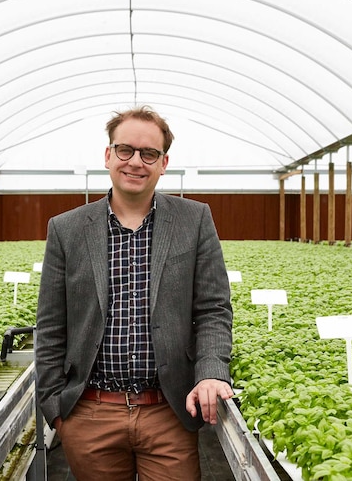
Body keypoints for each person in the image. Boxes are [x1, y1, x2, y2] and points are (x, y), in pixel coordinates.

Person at [35, 105, 233, 481]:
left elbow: (213, 310)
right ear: (108, 155)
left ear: (163, 162)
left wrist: (211, 372)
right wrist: (56, 410)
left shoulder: (194, 219)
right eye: (125, 150)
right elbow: (50, 324)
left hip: (168, 412)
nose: (135, 162)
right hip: (91, 413)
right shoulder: (67, 229)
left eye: (149, 154)